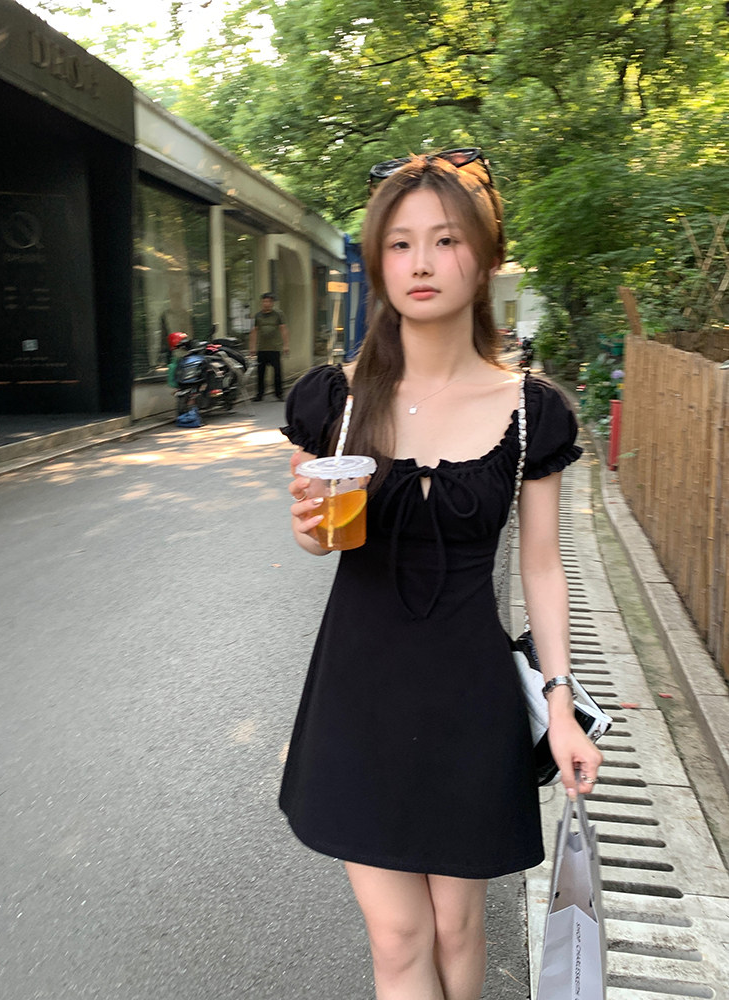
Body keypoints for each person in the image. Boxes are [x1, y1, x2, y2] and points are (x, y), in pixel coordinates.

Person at [280, 148, 603, 1000]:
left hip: (468, 696)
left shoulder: (532, 411)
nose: (421, 262)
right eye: (400, 244)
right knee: (399, 936)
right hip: (358, 691)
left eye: (446, 240)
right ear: (378, 261)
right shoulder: (335, 400)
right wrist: (310, 533)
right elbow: (318, 540)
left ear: (486, 258)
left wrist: (561, 708)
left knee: (459, 932)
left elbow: (542, 566)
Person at [248, 292, 290, 401]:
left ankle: (279, 394)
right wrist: (252, 347)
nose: (266, 304)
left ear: (272, 303)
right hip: (262, 348)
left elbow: (283, 329)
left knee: (277, 372)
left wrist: (286, 345)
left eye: (268, 302)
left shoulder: (278, 315)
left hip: (274, 348)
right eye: (264, 302)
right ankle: (260, 394)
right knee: (260, 373)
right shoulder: (258, 316)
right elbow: (254, 331)